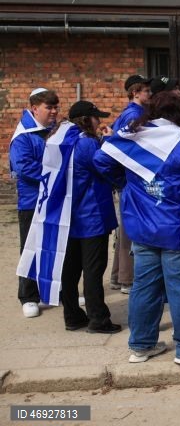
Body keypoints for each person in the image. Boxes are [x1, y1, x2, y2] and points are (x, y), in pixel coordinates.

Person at [94, 92, 180, 365]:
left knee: (144, 287)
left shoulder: (133, 137)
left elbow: (101, 160)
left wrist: (127, 184)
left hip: (141, 225)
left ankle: (141, 345)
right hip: (178, 225)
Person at [57, 101, 121, 333]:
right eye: (95, 117)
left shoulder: (63, 140)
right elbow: (107, 165)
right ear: (86, 120)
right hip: (91, 215)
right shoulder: (87, 145)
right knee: (93, 270)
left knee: (71, 269)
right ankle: (98, 319)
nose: (98, 121)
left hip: (69, 215)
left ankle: (72, 315)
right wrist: (110, 141)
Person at [9, 87, 59, 318]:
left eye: (55, 107)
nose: (54, 111)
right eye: (49, 107)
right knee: (30, 248)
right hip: (32, 201)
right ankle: (28, 296)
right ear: (34, 108)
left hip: (53, 198)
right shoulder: (23, 136)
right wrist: (53, 175)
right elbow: (23, 167)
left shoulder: (51, 129)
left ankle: (52, 291)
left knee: (53, 246)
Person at [109, 74, 152, 295]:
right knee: (128, 229)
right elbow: (121, 149)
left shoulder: (131, 114)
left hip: (127, 179)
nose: (150, 94)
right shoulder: (134, 115)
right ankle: (126, 279)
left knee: (125, 228)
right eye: (146, 91)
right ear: (135, 92)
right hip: (132, 179)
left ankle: (118, 276)